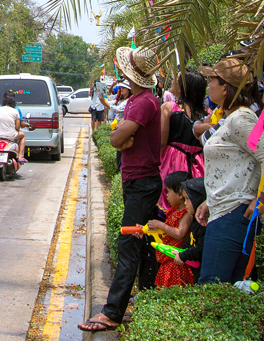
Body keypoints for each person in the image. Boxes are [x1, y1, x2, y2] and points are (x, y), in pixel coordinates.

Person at [81, 47, 162, 334]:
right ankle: (146, 301)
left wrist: (122, 139)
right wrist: (122, 138)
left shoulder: (141, 103)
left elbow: (117, 139)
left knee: (129, 244)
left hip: (140, 183)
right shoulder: (143, 101)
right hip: (140, 181)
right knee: (143, 245)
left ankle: (113, 311)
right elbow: (120, 138)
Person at [193, 57, 264, 285]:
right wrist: (209, 202)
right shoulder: (230, 118)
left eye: (212, 79)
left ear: (225, 87)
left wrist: (261, 201)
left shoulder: (240, 120)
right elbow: (236, 165)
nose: (208, 85)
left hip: (232, 215)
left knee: (212, 287)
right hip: (223, 210)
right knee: (231, 288)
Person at [158, 69, 206, 211]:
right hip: (198, 164)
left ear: (182, 88)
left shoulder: (169, 108)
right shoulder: (207, 114)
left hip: (172, 162)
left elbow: (161, 142)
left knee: (169, 206)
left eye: (175, 79)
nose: (172, 81)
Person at [147, 170, 194, 288]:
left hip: (175, 261)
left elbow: (180, 233)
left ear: (180, 194)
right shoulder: (174, 211)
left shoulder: (186, 213)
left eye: (168, 191)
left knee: (171, 291)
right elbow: (166, 231)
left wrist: (160, 225)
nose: (166, 195)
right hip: (166, 260)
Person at [175, 177, 207, 282]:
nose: (185, 203)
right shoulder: (195, 220)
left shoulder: (204, 224)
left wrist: (184, 255)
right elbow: (191, 238)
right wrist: (183, 250)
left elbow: (201, 248)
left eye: (188, 199)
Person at [0, 90, 25, 161]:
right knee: (23, 135)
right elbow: (17, 127)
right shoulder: (16, 111)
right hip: (11, 135)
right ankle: (20, 156)